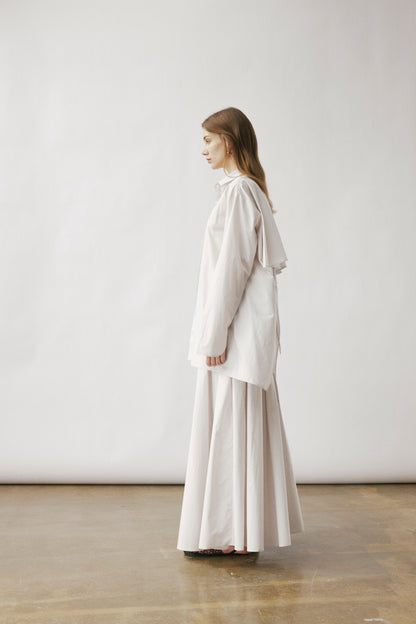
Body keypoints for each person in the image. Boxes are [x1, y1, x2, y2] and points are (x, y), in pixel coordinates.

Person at [177, 107, 304, 557]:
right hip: (240, 333)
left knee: (232, 427)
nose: (203, 150)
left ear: (228, 141)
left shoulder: (238, 192)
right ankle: (236, 533)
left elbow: (230, 271)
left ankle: (232, 536)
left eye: (208, 140)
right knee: (235, 427)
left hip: (234, 336)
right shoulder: (243, 190)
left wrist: (213, 337)